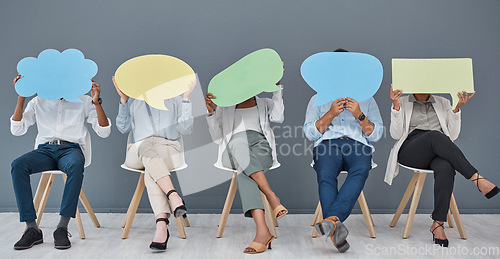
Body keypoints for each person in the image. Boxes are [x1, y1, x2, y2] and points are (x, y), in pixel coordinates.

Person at [386, 85, 499, 247]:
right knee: (434, 135)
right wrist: (396, 106)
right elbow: (395, 135)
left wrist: (457, 108)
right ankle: (476, 178)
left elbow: (452, 135)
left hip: (439, 148)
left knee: (446, 167)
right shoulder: (402, 101)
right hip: (411, 149)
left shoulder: (443, 102)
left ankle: (438, 224)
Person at [10, 75, 111, 250]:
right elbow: (17, 129)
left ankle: (62, 228)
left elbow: (104, 131)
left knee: (75, 165)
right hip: (45, 150)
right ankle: (32, 229)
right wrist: (21, 96)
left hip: (71, 150)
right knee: (18, 165)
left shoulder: (84, 100)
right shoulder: (38, 101)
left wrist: (96, 103)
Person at [303, 48, 383, 253]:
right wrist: (330, 113)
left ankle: (331, 220)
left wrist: (360, 115)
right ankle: (335, 225)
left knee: (360, 171)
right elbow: (311, 133)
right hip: (328, 144)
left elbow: (376, 134)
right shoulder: (317, 98)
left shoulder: (366, 98)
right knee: (325, 174)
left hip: (358, 145)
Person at [205, 65, 287, 254]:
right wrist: (211, 113)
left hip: (260, 148)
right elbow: (217, 138)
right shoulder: (225, 106)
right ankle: (271, 196)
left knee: (244, 173)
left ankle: (262, 232)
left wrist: (278, 88)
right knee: (237, 142)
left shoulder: (264, 102)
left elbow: (279, 117)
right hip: (232, 151)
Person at [114, 76, 195, 251]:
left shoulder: (175, 99)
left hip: (168, 149)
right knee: (147, 146)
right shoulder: (136, 102)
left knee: (152, 170)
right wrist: (123, 101)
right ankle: (173, 195)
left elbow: (186, 130)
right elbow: (123, 127)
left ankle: (161, 225)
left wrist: (186, 98)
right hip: (137, 151)